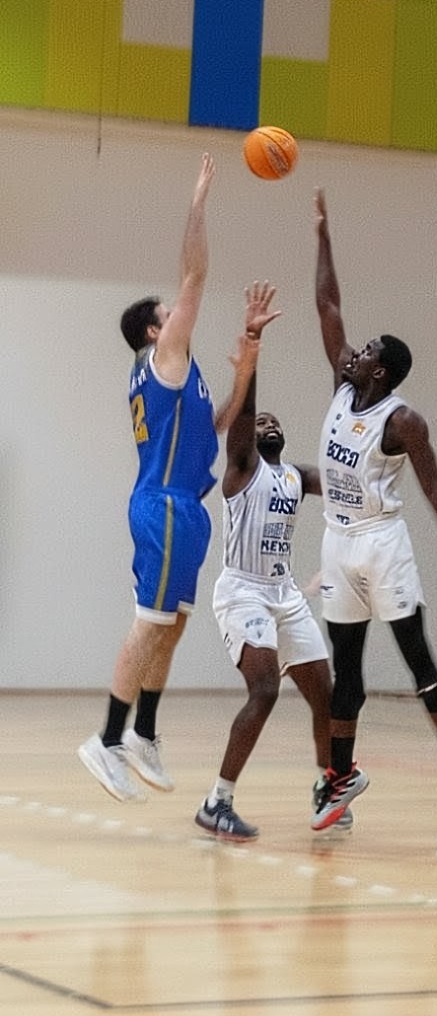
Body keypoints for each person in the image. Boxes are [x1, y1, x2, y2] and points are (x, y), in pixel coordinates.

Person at [78, 154, 269, 803]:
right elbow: (195, 271)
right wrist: (199, 198)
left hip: (186, 506)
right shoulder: (165, 354)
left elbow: (214, 424)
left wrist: (245, 367)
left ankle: (143, 733)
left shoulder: (176, 379)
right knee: (148, 621)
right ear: (157, 329)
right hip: (162, 506)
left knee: (174, 622)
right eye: (170, 310)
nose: (180, 310)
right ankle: (105, 739)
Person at [310, 188, 437, 831]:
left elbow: (435, 489)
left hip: (382, 543)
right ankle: (338, 780)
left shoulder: (402, 420)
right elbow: (328, 304)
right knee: (347, 673)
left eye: (365, 352)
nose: (353, 352)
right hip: (338, 540)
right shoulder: (345, 385)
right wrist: (323, 234)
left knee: (417, 660)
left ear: (384, 373)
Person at [195, 282, 349, 841]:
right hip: (242, 590)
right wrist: (253, 342)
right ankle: (217, 800)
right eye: (261, 424)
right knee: (263, 691)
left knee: (324, 697)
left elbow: (342, 478)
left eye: (274, 422)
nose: (268, 424)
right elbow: (246, 414)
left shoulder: (296, 476)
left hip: (284, 594)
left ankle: (325, 789)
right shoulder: (243, 469)